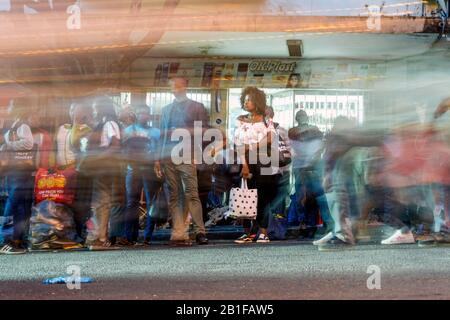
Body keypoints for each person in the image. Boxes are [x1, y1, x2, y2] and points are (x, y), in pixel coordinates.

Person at [154, 77, 209, 246]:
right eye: (171, 86)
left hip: (187, 154)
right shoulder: (165, 110)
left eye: (176, 85)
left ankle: (200, 231)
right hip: (169, 156)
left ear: (185, 86)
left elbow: (202, 133)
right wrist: (157, 159)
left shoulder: (197, 107)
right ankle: (179, 231)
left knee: (191, 193)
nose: (173, 89)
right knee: (175, 194)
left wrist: (198, 155)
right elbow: (161, 135)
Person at [233, 87, 277, 244]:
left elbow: (271, 138)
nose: (246, 102)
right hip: (247, 162)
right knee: (246, 196)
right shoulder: (240, 120)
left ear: (257, 101)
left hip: (264, 162)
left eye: (249, 99)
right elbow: (238, 144)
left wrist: (251, 147)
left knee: (263, 198)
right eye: (244, 99)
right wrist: (244, 165)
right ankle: (248, 233)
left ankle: (263, 232)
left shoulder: (266, 120)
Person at [83, 96, 122, 250]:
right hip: (100, 168)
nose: (93, 110)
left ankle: (101, 238)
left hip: (105, 168)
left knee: (102, 203)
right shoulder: (102, 123)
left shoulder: (110, 123)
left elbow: (115, 146)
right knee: (99, 203)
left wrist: (96, 157)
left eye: (95, 107)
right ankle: (98, 236)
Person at [288, 110, 331, 240]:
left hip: (307, 165)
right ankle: (306, 224)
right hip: (306, 166)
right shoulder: (301, 131)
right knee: (307, 195)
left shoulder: (298, 131)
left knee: (308, 196)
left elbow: (319, 146)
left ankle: (306, 224)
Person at [0, 98, 35, 254]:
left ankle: (14, 240)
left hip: (18, 170)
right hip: (16, 170)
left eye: (12, 105)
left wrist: (8, 145)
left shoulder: (21, 125)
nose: (9, 107)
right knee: (14, 204)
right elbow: (26, 144)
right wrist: (8, 145)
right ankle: (6, 240)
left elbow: (28, 144)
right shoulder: (15, 124)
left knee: (16, 204)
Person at [123, 104, 161, 245]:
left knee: (151, 202)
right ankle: (129, 236)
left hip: (149, 168)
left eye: (146, 113)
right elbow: (123, 149)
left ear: (149, 115)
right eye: (141, 113)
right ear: (136, 115)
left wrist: (157, 166)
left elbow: (158, 152)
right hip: (132, 168)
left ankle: (147, 236)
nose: (144, 115)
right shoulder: (128, 130)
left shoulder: (156, 132)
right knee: (131, 202)